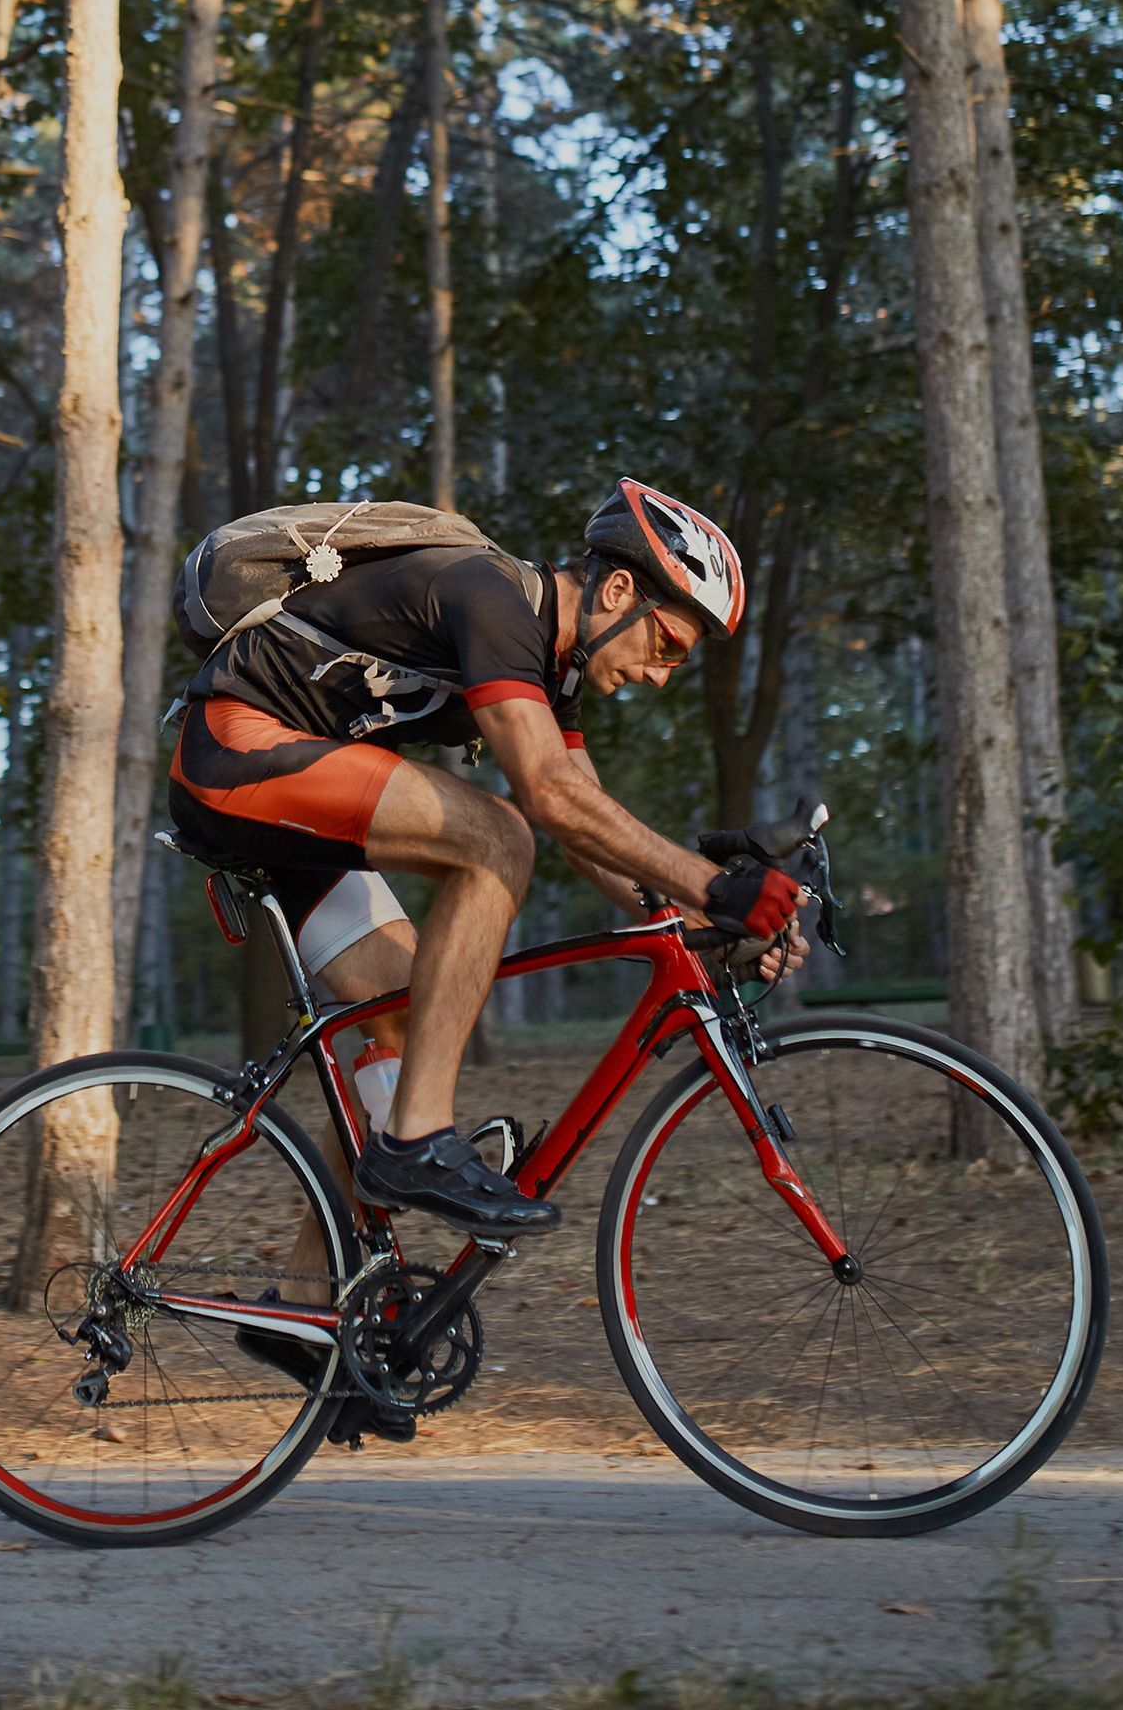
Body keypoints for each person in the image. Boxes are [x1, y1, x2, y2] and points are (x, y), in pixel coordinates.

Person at [169, 477, 809, 1248]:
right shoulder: (494, 597)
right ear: (616, 590)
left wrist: (710, 925)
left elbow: (587, 830)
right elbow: (546, 794)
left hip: (296, 799)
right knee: (498, 838)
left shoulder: (553, 669)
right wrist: (713, 882)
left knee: (409, 1013)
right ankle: (414, 1142)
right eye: (667, 643)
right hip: (234, 757)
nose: (659, 675)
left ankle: (314, 1303)